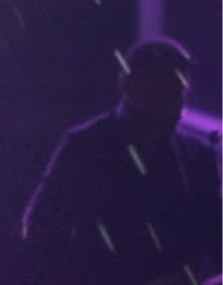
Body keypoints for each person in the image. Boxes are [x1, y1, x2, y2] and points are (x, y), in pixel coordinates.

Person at [21, 37, 222, 285]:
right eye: (163, 90)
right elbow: (42, 229)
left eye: (178, 92)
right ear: (129, 85)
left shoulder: (199, 156)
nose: (175, 103)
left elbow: (215, 234)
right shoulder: (84, 147)